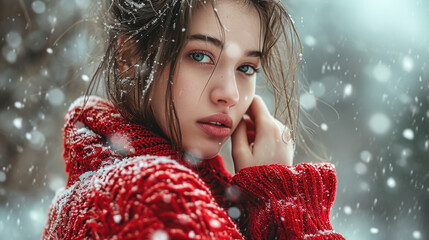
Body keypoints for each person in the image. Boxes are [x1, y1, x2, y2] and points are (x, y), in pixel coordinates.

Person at [43, 0, 345, 239]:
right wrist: (282, 202)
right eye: (200, 56)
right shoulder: (156, 197)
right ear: (130, 56)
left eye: (247, 68)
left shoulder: (96, 191)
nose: (230, 94)